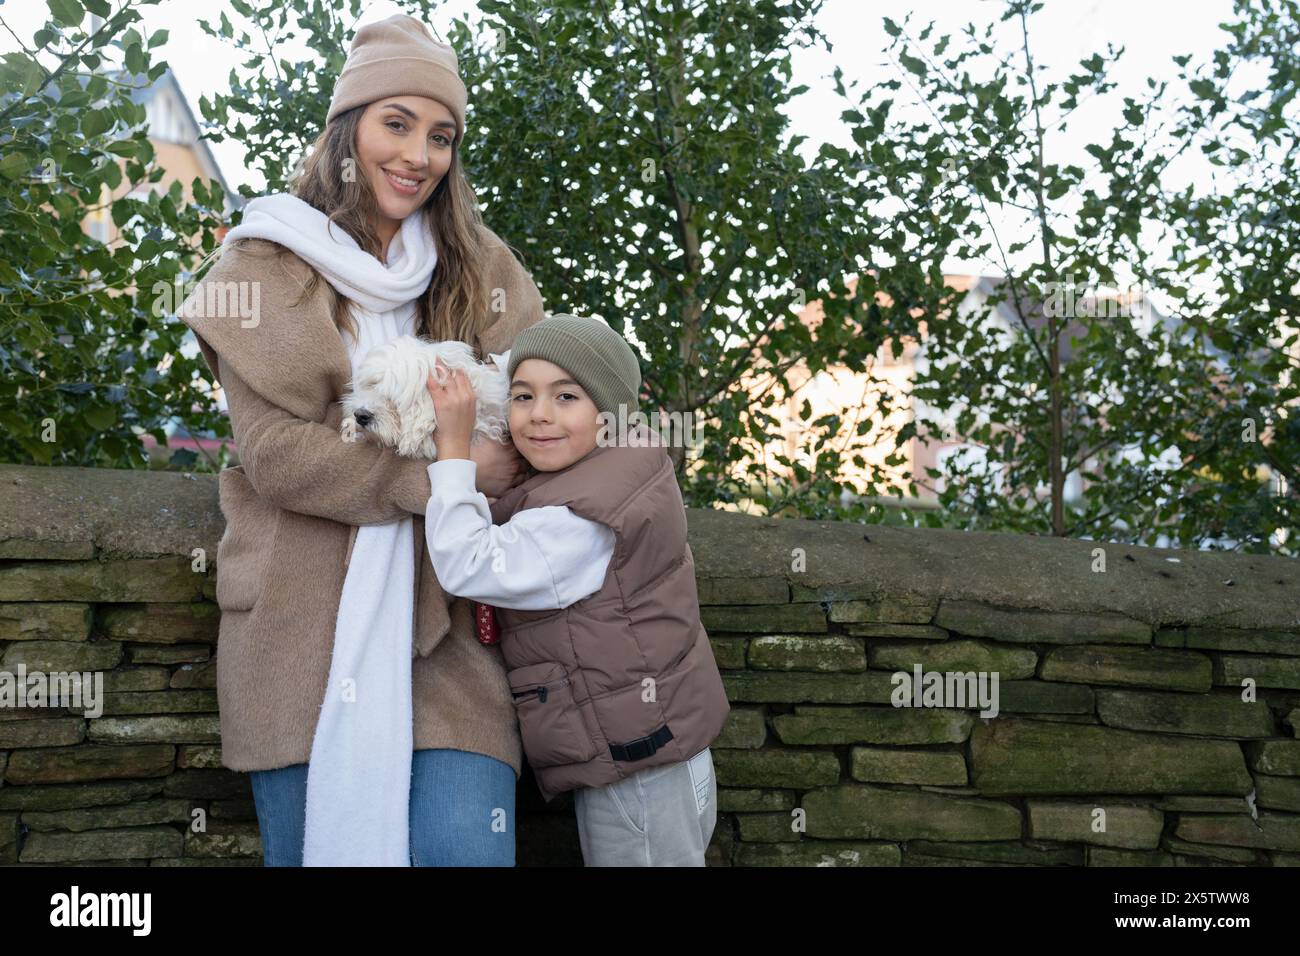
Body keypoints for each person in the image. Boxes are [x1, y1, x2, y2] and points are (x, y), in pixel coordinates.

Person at [180, 13, 546, 866]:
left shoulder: (481, 270)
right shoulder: (263, 267)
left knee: (467, 851)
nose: (420, 154)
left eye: (443, 134)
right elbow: (276, 456)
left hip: (448, 625)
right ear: (347, 130)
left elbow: (543, 413)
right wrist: (445, 475)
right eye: (398, 123)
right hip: (299, 629)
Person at [423, 314, 731, 866]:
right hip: (659, 751)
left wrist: (453, 456)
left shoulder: (581, 519)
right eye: (522, 395)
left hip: (638, 773)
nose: (539, 414)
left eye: (566, 396)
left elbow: (468, 564)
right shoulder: (616, 470)